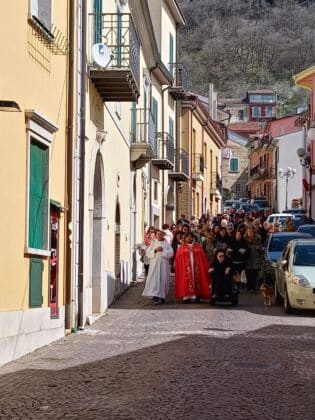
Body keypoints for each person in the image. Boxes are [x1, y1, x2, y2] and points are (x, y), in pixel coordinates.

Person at [174, 232, 210, 303]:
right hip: (186, 268)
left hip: (196, 268)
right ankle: (186, 296)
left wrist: (194, 251)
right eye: (187, 237)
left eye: (190, 237)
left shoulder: (198, 246)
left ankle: (196, 295)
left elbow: (202, 256)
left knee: (196, 279)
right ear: (185, 238)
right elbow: (178, 257)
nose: (189, 238)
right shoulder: (182, 247)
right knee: (186, 280)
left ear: (193, 238)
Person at [142, 230, 174, 304]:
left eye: (161, 235)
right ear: (156, 235)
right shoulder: (153, 243)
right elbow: (148, 253)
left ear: (163, 236)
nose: (159, 236)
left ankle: (162, 297)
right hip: (154, 265)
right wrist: (155, 250)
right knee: (155, 279)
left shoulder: (166, 244)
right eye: (158, 234)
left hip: (164, 265)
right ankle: (155, 296)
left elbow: (171, 253)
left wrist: (163, 251)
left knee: (163, 279)